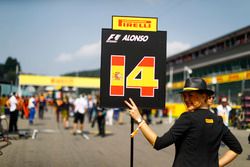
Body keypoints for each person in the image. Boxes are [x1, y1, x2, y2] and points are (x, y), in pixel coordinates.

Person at [125, 77, 242, 167]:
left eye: (191, 95)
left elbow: (159, 143)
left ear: (204, 96)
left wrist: (139, 119)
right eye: (184, 96)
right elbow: (236, 149)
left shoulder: (188, 118)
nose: (186, 99)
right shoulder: (218, 121)